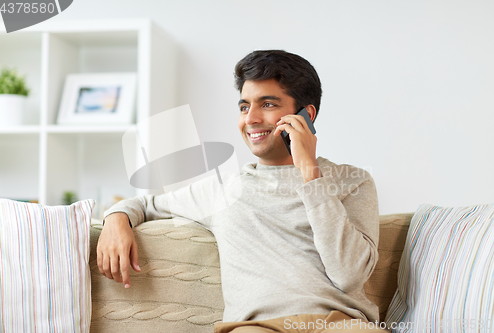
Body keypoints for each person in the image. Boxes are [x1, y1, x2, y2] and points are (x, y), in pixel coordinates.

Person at [97, 50, 386, 332]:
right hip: (255, 327)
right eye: (244, 106)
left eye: (268, 104)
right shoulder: (224, 188)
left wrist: (310, 174)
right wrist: (115, 219)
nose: (250, 119)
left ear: (306, 115)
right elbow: (145, 205)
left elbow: (349, 275)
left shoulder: (353, 181)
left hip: (340, 325)